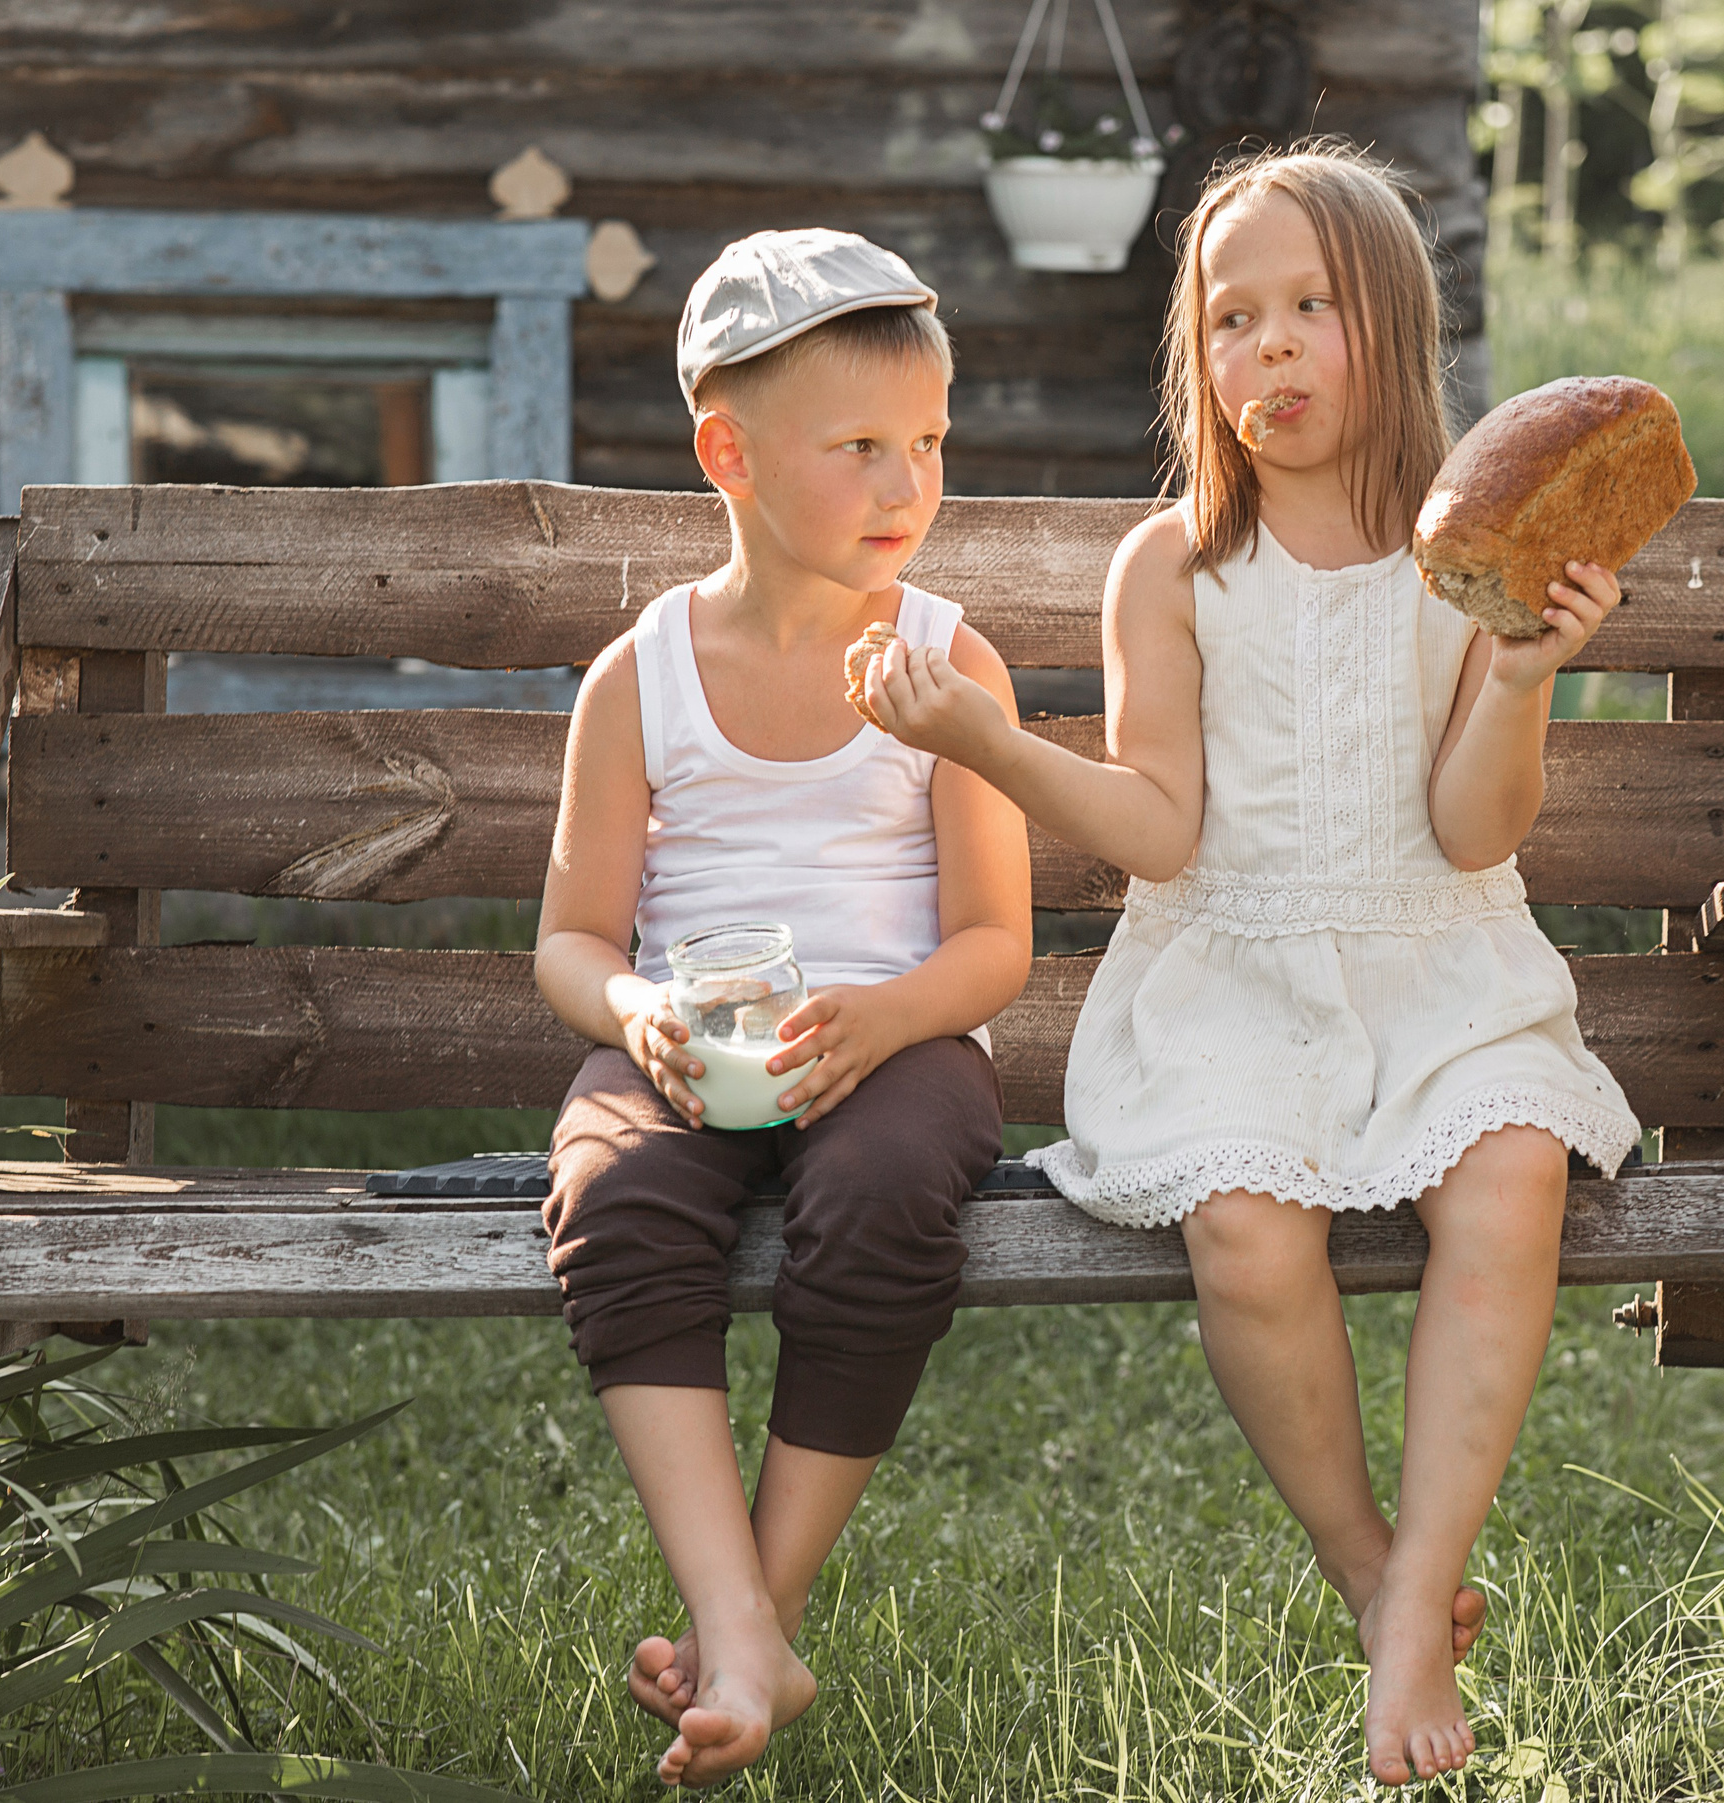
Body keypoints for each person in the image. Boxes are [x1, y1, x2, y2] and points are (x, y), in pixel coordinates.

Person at [860, 145, 1642, 1786]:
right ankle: (1374, 1572)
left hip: (1441, 966)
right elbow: (1154, 831)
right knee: (1244, 1227)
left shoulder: (1467, 556)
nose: (1267, 348)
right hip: (1228, 973)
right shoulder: (1177, 567)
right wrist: (988, 742)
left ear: (1398, 330)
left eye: (1309, 309)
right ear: (1194, 356)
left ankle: (1419, 1588)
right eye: (1232, 319)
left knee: (1512, 1179)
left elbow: (1474, 834)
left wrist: (1519, 678)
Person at [535, 228, 1031, 1790]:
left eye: (931, 445)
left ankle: (760, 1614)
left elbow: (997, 944)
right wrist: (634, 1014)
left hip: (900, 1045)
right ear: (730, 453)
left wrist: (890, 1021)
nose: (908, 486)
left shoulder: (949, 666)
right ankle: (736, 1616)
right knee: (614, 1201)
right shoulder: (640, 679)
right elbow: (565, 938)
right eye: (863, 447)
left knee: (885, 1198)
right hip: (693, 1049)